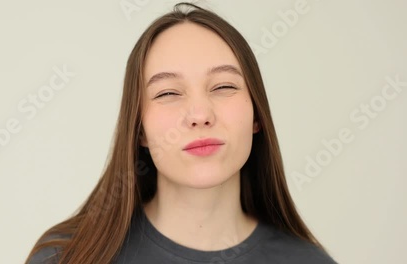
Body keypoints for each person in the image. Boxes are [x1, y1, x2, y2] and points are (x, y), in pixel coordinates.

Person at [25, 2, 337, 264]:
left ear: (257, 116)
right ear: (139, 130)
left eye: (224, 86)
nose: (200, 115)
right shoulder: (65, 256)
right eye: (168, 93)